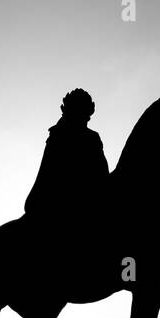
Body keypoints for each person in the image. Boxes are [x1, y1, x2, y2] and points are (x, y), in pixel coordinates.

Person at [24, 88, 109, 246]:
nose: (85, 120)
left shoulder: (92, 138)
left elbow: (103, 176)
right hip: (60, 208)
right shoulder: (59, 136)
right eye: (83, 115)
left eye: (87, 117)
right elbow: (47, 175)